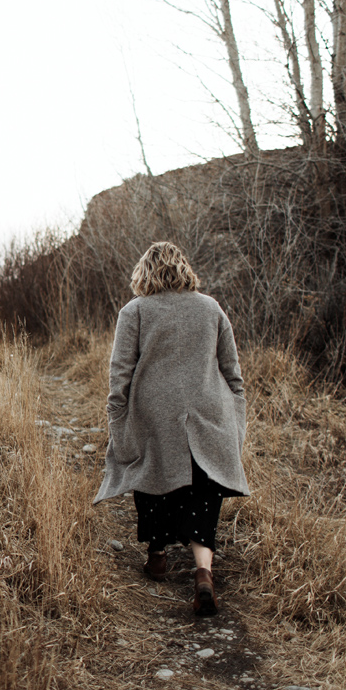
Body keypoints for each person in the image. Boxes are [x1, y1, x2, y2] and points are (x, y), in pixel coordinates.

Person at [92, 242, 248, 616]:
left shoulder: (135, 311)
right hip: (207, 411)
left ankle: (157, 555)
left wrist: (118, 417)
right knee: (203, 490)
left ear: (144, 272)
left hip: (153, 411)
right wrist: (235, 413)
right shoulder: (211, 308)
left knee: (152, 478)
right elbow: (233, 373)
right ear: (184, 269)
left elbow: (120, 374)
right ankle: (203, 573)